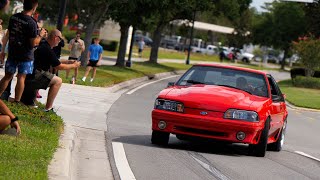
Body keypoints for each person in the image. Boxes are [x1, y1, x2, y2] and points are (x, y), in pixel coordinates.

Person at [20, 29, 80, 111]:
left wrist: (68, 61)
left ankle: (27, 100)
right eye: (60, 39)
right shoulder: (47, 49)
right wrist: (73, 65)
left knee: (27, 104)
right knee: (58, 81)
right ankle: (48, 108)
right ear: (56, 38)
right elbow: (59, 67)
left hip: (29, 75)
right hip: (33, 76)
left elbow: (54, 61)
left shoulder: (45, 45)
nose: (60, 41)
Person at [0, 0, 46, 103]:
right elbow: (33, 43)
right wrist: (41, 35)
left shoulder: (14, 17)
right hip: (26, 56)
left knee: (7, 76)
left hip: (12, 52)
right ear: (34, 8)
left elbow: (7, 35)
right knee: (21, 78)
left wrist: (3, 51)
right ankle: (17, 101)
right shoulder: (32, 23)